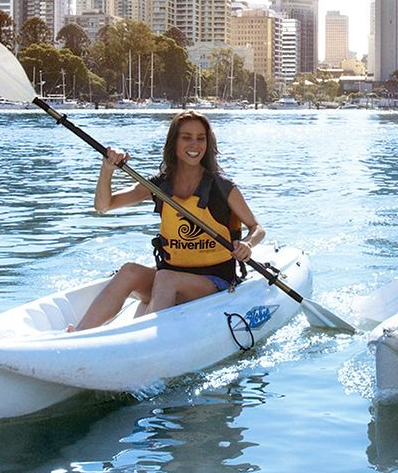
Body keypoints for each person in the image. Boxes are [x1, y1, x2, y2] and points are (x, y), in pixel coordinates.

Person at [69, 111, 266, 330]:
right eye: (186, 137)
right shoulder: (159, 185)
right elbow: (103, 206)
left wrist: (248, 244)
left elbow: (257, 228)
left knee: (166, 278)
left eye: (201, 138)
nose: (195, 144)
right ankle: (79, 334)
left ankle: (141, 338)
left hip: (215, 282)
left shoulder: (223, 187)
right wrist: (107, 170)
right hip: (171, 277)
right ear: (174, 142)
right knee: (129, 271)